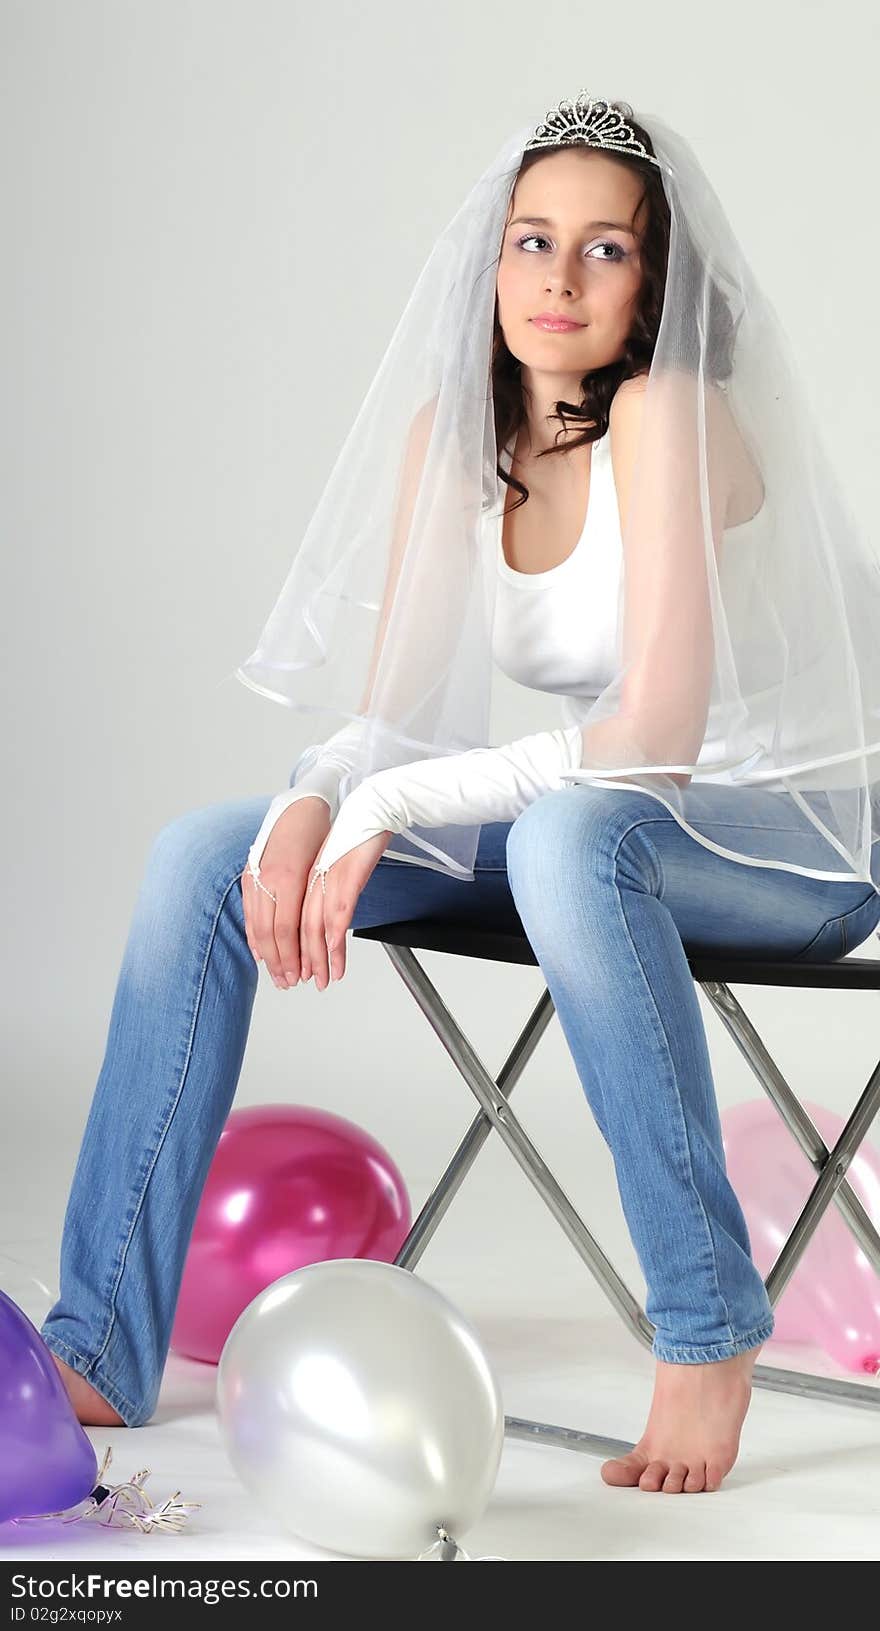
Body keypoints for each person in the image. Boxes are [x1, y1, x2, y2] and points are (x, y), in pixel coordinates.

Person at [41, 94, 880, 1498]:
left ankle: (707, 1321)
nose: (559, 278)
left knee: (566, 836)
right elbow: (394, 712)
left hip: (792, 839)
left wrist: (388, 806)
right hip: (600, 843)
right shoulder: (463, 426)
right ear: (490, 263)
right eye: (532, 240)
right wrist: (324, 793)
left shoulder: (670, 410)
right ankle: (101, 1338)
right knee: (210, 849)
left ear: (657, 286)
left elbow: (654, 742)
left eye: (605, 251)